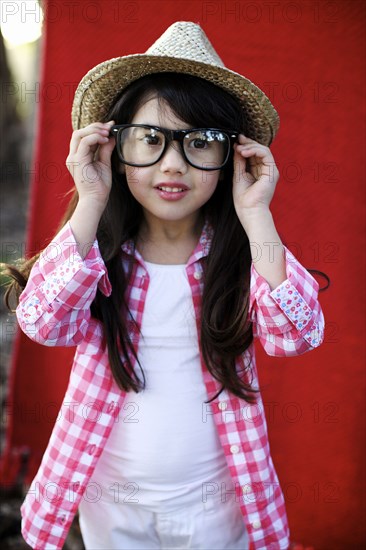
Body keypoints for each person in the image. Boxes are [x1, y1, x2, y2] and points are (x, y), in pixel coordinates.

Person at [6, 21, 325, 550]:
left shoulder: (242, 254)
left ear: (231, 159)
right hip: (113, 502)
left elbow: (296, 336)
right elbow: (41, 321)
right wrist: (90, 199)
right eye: (150, 139)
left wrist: (256, 214)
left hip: (216, 501)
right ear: (113, 147)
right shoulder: (99, 255)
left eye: (201, 142)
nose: (173, 164)